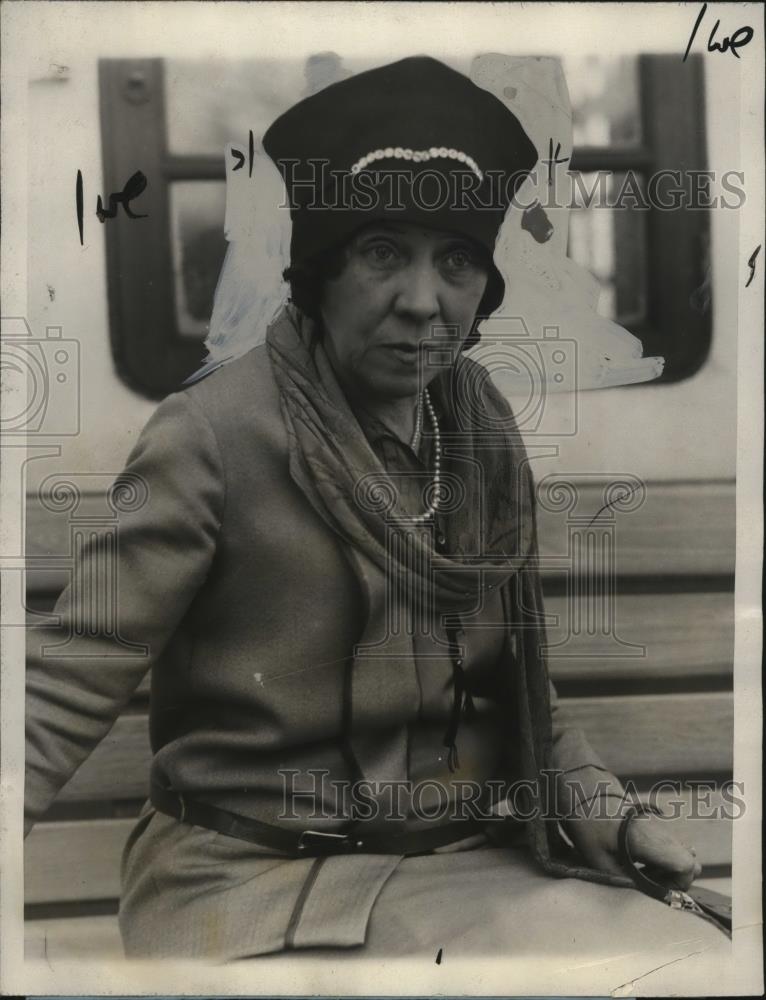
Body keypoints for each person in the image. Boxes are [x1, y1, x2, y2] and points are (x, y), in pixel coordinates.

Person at [25, 55, 720, 962]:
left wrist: (605, 812)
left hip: (453, 862)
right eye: (383, 251)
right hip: (242, 882)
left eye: (459, 261)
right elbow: (70, 676)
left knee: (688, 962)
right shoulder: (211, 433)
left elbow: (518, 681)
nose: (424, 302)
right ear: (319, 271)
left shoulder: (478, 430)